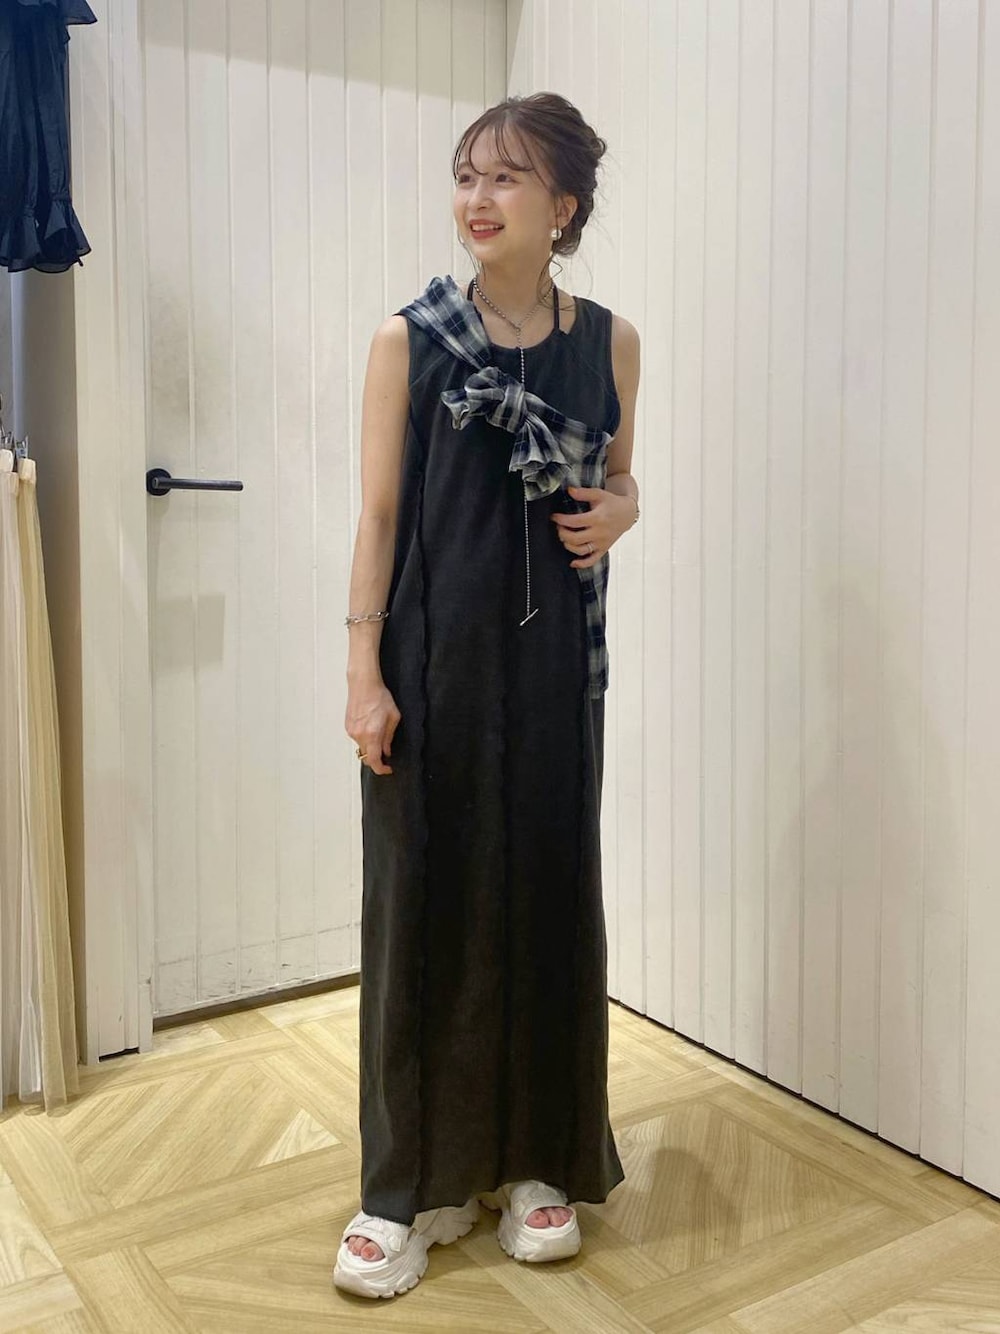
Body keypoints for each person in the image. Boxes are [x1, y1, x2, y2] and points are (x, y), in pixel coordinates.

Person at [335, 92, 641, 1301]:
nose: (476, 197)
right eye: (467, 174)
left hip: (558, 672)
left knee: (547, 900)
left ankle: (536, 1162)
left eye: (505, 178)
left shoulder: (609, 342)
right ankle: (405, 1188)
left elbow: (620, 480)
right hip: (432, 665)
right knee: (422, 909)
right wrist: (363, 673)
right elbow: (377, 518)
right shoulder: (407, 340)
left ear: (561, 205)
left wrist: (624, 510)